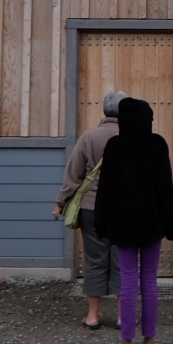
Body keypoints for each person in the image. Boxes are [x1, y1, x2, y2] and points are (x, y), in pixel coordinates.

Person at [94, 97, 173, 344]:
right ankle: (150, 342)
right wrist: (172, 225)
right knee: (150, 280)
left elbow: (105, 188)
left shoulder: (114, 146)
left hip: (122, 222)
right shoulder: (158, 144)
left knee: (129, 280)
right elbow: (165, 188)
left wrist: (101, 223)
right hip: (152, 221)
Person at [53, 89, 125, 328]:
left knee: (95, 260)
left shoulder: (89, 137)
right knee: (122, 261)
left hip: (92, 208)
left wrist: (60, 203)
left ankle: (93, 317)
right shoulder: (135, 137)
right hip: (124, 210)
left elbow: (73, 174)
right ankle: (122, 317)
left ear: (104, 110)